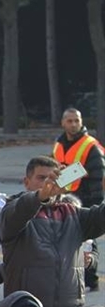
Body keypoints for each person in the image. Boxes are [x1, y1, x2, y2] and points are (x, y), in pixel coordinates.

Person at [0, 155, 105, 307]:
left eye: (52, 178)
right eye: (41, 178)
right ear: (26, 182)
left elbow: (100, 218)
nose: (47, 183)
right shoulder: (14, 210)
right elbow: (17, 214)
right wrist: (40, 197)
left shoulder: (73, 213)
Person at [53, 108, 104, 291]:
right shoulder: (59, 144)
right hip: (66, 198)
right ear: (63, 123)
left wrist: (96, 203)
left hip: (87, 198)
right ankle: (78, 276)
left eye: (77, 120)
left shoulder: (90, 145)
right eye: (70, 121)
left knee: (88, 239)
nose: (74, 124)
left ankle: (91, 278)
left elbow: (98, 174)